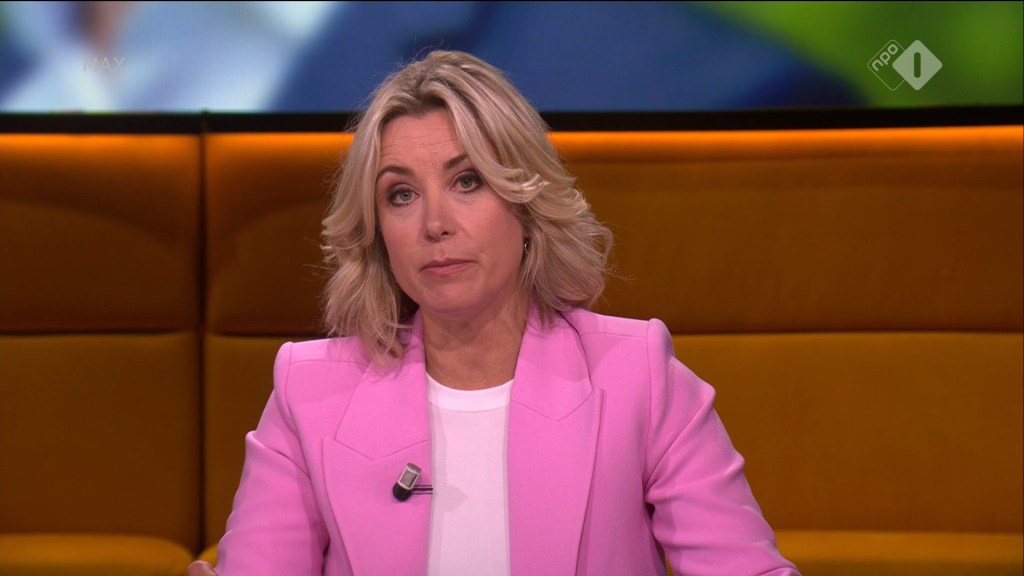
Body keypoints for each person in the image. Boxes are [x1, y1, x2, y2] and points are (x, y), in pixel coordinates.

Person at [190, 50, 800, 576]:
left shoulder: (636, 377)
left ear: (526, 203)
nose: (435, 224)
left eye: (467, 181)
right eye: (401, 194)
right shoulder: (308, 392)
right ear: (377, 233)